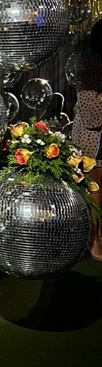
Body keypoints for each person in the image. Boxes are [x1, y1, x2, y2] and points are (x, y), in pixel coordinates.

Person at [72, 18, 102, 260]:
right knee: (95, 194)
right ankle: (92, 242)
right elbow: (92, 114)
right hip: (94, 142)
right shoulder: (90, 63)